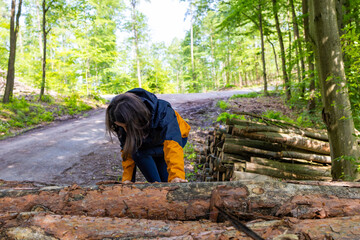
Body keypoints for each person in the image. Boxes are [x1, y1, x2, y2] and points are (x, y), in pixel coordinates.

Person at [105, 88, 191, 183]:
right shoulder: (119, 117)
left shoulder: (163, 111)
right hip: (148, 142)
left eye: (127, 127)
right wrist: (127, 179)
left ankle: (168, 184)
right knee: (138, 155)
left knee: (167, 179)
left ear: (137, 118)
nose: (125, 131)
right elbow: (128, 149)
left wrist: (177, 175)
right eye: (122, 126)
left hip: (173, 140)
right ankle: (155, 188)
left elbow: (172, 146)